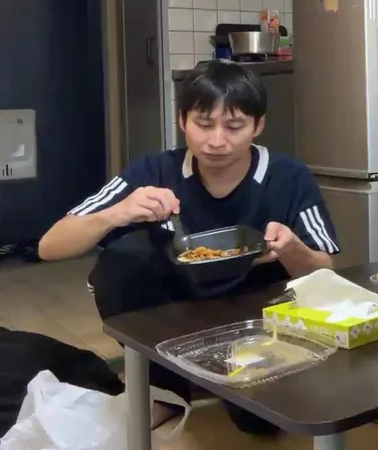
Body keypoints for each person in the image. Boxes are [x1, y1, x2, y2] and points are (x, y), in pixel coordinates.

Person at [38, 61, 340, 434]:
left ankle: (222, 372)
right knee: (121, 260)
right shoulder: (154, 171)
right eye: (204, 124)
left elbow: (324, 270)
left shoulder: (289, 177)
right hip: (179, 312)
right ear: (183, 121)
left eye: (234, 127)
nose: (217, 141)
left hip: (253, 318)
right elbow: (50, 246)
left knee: (259, 423)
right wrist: (118, 212)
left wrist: (292, 248)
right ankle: (164, 389)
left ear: (258, 126)